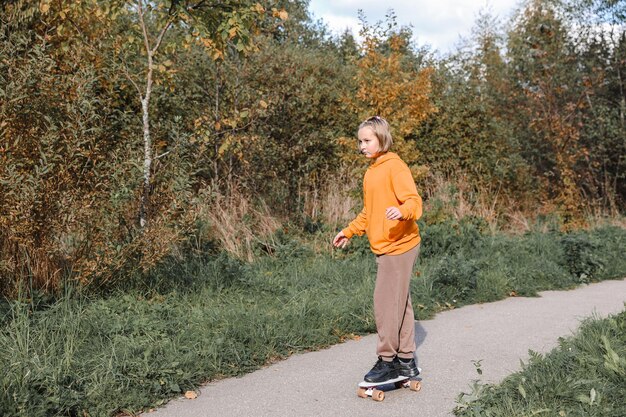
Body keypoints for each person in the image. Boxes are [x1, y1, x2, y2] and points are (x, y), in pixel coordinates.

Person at [332, 116, 423, 383]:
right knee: (400, 304)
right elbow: (369, 212)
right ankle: (406, 361)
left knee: (385, 304)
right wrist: (349, 231)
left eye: (367, 140)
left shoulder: (395, 167)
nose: (362, 145)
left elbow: (414, 203)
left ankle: (387, 361)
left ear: (382, 139)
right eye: (360, 141)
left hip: (399, 245)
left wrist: (402, 211)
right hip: (387, 246)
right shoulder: (372, 171)